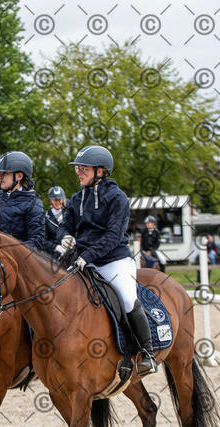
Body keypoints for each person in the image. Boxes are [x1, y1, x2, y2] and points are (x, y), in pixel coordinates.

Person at [57, 145, 157, 376]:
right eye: (77, 168)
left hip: (114, 261)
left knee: (128, 299)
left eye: (84, 168)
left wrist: (87, 256)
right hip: (83, 260)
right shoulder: (76, 199)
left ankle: (147, 353)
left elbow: (113, 236)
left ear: (100, 171)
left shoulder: (117, 198)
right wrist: (65, 237)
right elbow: (64, 226)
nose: (79, 172)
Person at [42, 186, 68, 259]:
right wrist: (55, 247)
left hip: (68, 252)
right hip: (52, 255)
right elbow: (43, 239)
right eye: (55, 200)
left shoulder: (68, 215)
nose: (58, 202)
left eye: (59, 199)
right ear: (51, 200)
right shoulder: (45, 217)